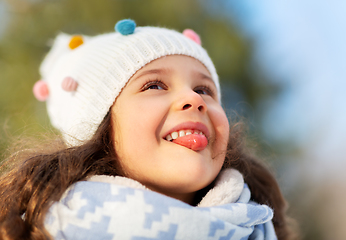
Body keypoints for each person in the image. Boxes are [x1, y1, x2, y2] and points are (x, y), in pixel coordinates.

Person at [0, 19, 295, 239]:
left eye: (204, 89)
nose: (194, 99)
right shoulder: (49, 231)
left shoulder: (258, 228)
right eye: (154, 85)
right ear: (96, 129)